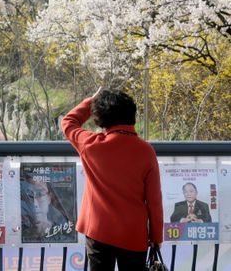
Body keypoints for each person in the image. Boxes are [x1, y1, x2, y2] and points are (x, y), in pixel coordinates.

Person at [61, 88, 163, 270]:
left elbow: (69, 122)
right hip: (133, 233)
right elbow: (154, 201)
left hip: (98, 229)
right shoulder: (146, 151)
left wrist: (90, 101)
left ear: (101, 118)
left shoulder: (90, 145)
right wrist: (156, 237)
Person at [21, 176, 71, 242]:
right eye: (28, 196)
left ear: (49, 198)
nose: (35, 203)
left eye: (40, 194)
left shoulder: (65, 229)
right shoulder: (19, 230)